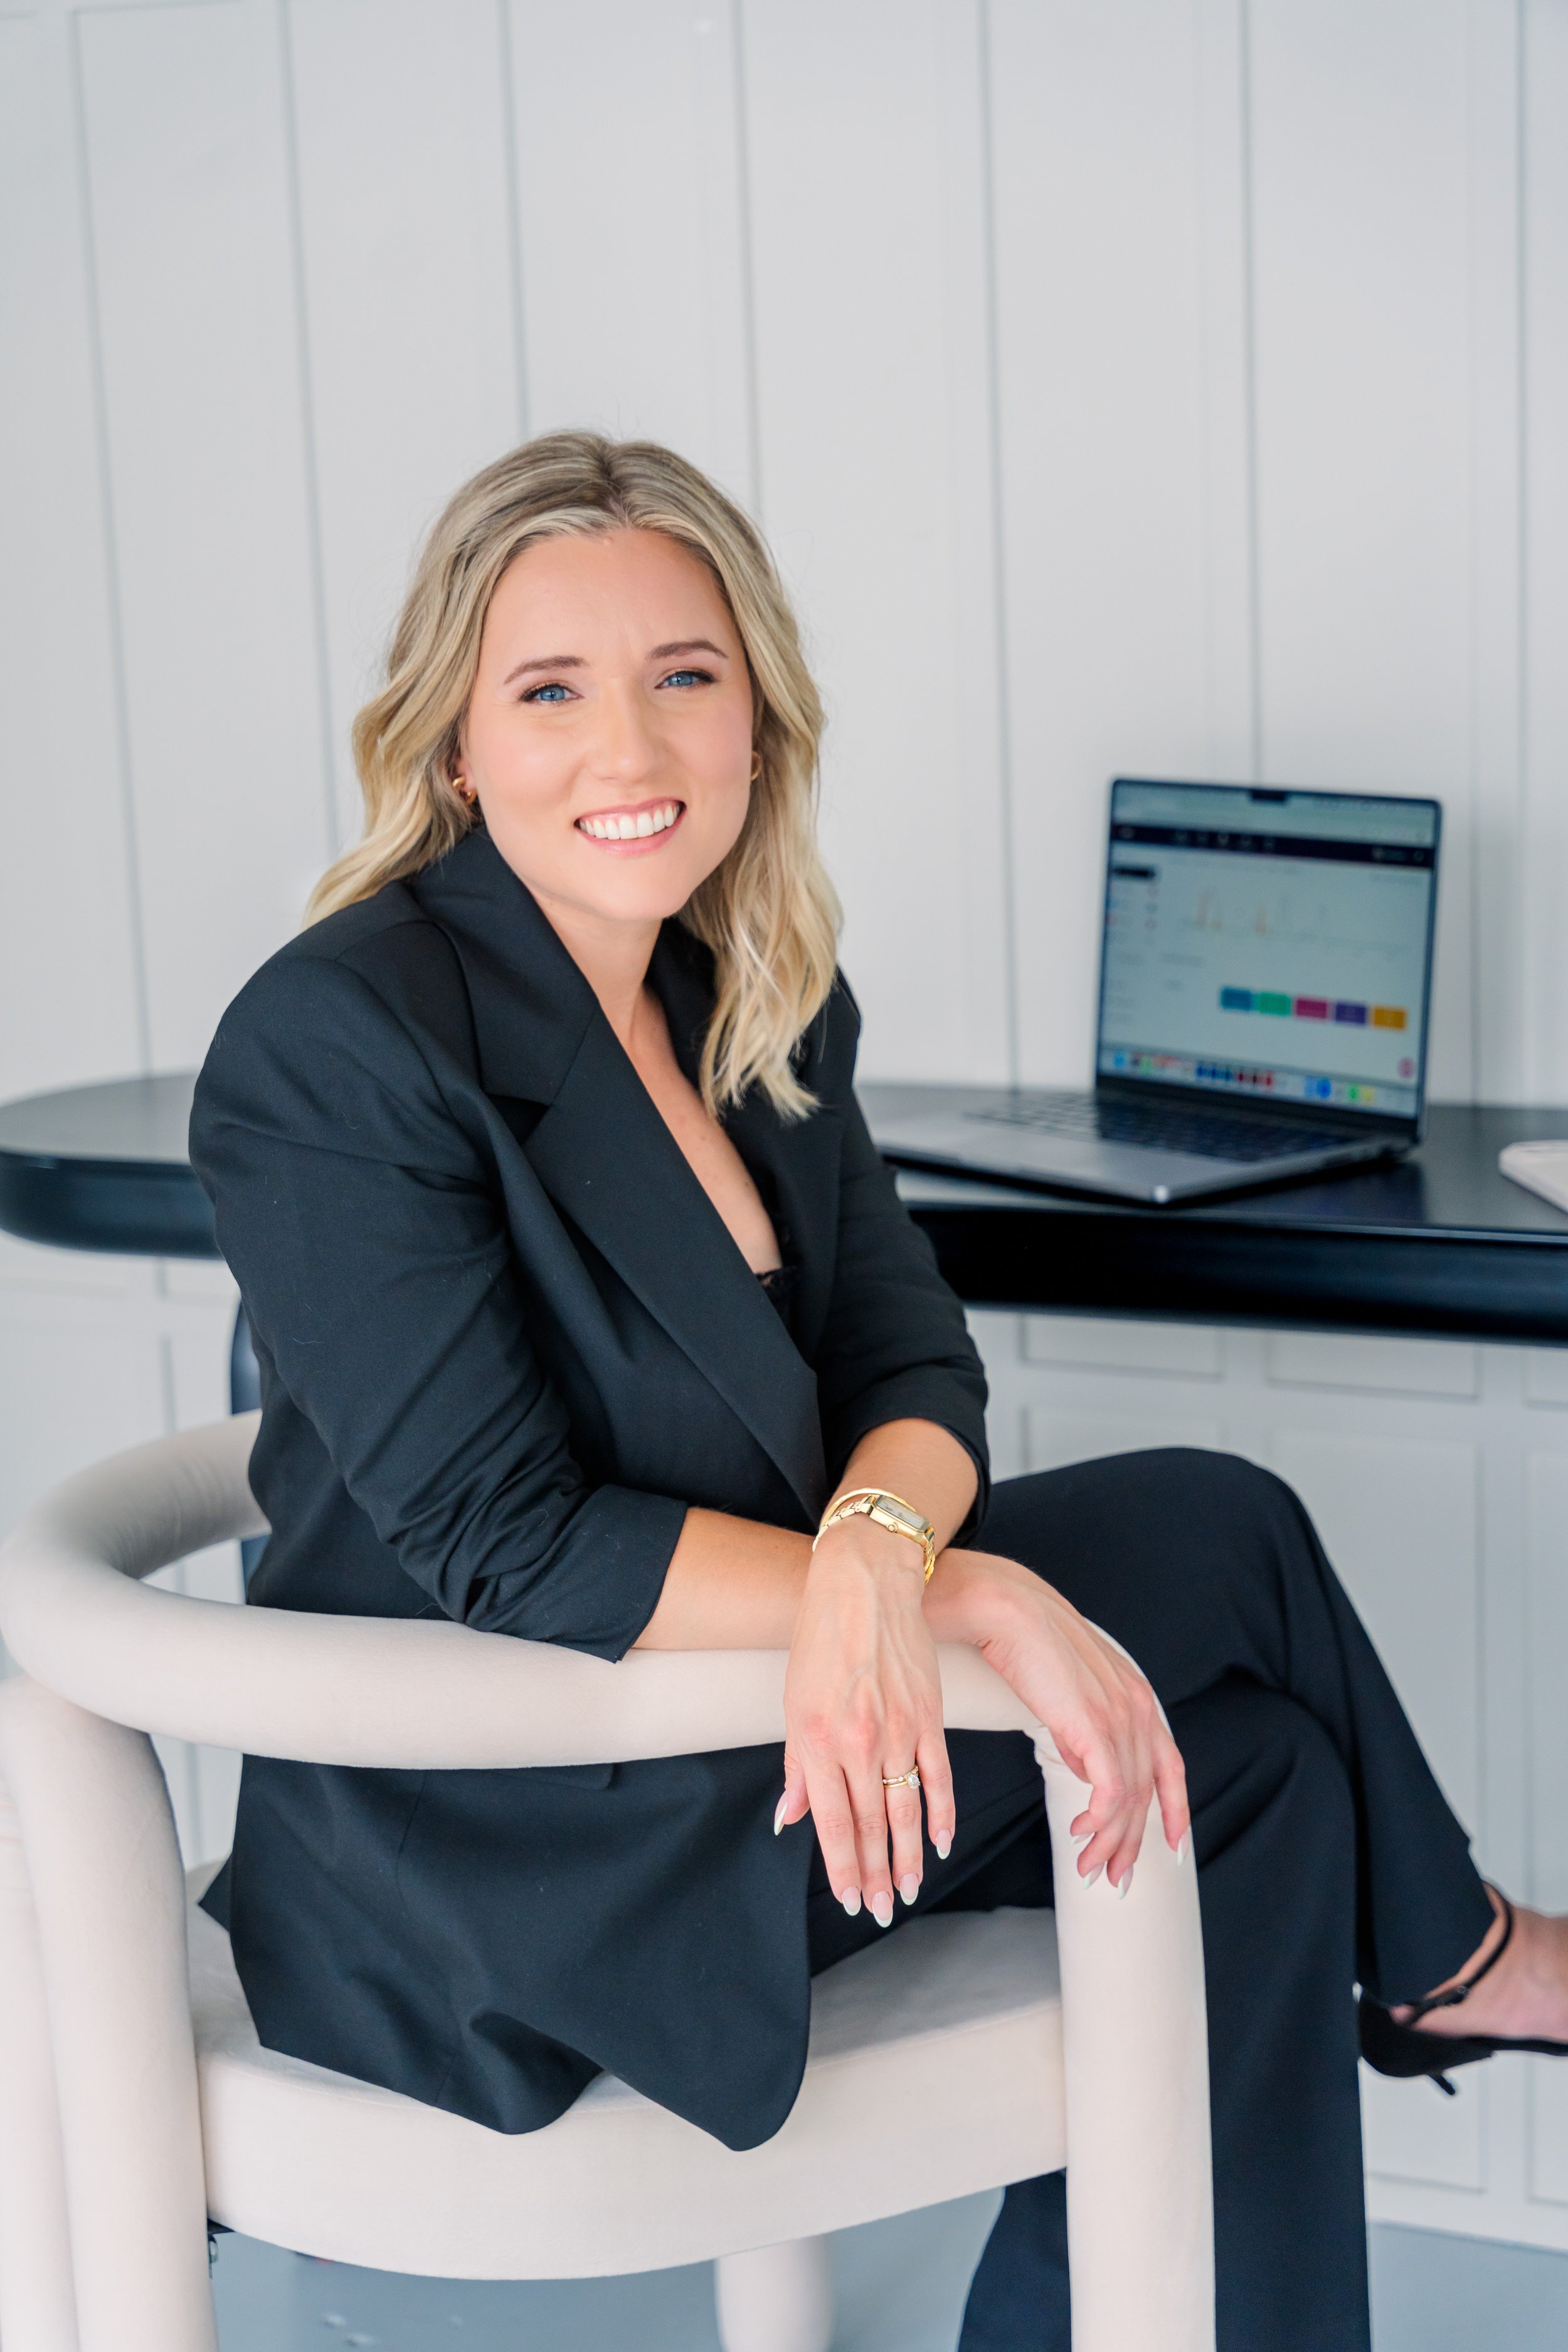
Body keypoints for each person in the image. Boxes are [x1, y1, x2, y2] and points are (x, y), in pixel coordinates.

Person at [191, 432, 1568, 2352]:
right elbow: (508, 1547)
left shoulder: (756, 992)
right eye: (551, 690)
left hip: (751, 1733)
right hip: (513, 1837)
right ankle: (1461, 1960)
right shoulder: (335, 1041)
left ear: (759, 718)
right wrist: (944, 1585)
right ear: (451, 747)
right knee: (1225, 1537)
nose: (632, 749)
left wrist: (880, 1547)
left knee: (1253, 1781)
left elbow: (914, 1368)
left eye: (686, 676)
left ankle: (1438, 1971)